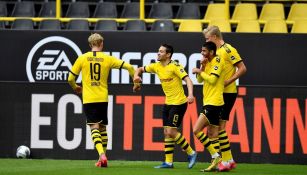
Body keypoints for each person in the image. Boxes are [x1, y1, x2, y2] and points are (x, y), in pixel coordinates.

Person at [68, 33, 139, 168]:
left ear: (90, 45)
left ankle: (101, 155)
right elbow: (130, 67)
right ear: (101, 44)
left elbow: (70, 78)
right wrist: (135, 83)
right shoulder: (107, 58)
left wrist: (76, 87)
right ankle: (102, 158)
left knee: (93, 127)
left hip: (89, 98)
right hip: (103, 98)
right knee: (102, 128)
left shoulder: (82, 58)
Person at [133, 44, 197, 169]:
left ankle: (191, 152)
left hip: (179, 103)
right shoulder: (156, 66)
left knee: (171, 131)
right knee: (166, 133)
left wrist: (190, 95)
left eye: (161, 51)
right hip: (168, 102)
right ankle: (168, 162)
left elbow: (188, 80)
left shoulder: (175, 66)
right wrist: (136, 77)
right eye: (158, 51)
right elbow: (139, 69)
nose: (158, 53)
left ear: (168, 55)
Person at [203, 25, 247, 171]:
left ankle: (226, 160)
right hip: (217, 94)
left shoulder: (228, 49)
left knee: (218, 127)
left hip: (227, 93)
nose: (207, 41)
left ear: (215, 37)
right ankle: (228, 160)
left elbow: (242, 68)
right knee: (215, 128)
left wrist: (229, 80)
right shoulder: (214, 53)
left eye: (208, 38)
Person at [192, 41, 225, 172]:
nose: (202, 53)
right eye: (202, 51)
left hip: (214, 102)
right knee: (212, 134)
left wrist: (200, 71)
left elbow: (212, 80)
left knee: (196, 130)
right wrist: (202, 68)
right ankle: (215, 164)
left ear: (211, 52)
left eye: (204, 51)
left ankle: (216, 156)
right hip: (209, 101)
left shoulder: (218, 60)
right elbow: (200, 80)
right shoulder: (208, 62)